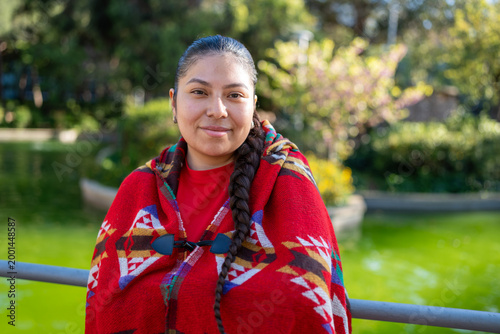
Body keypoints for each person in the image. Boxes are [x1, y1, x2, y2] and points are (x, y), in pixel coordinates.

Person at [85, 35, 352, 334]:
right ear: (174, 102)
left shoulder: (289, 183)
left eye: (234, 95)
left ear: (253, 105)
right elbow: (103, 301)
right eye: (199, 92)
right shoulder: (139, 188)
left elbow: (307, 304)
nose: (217, 110)